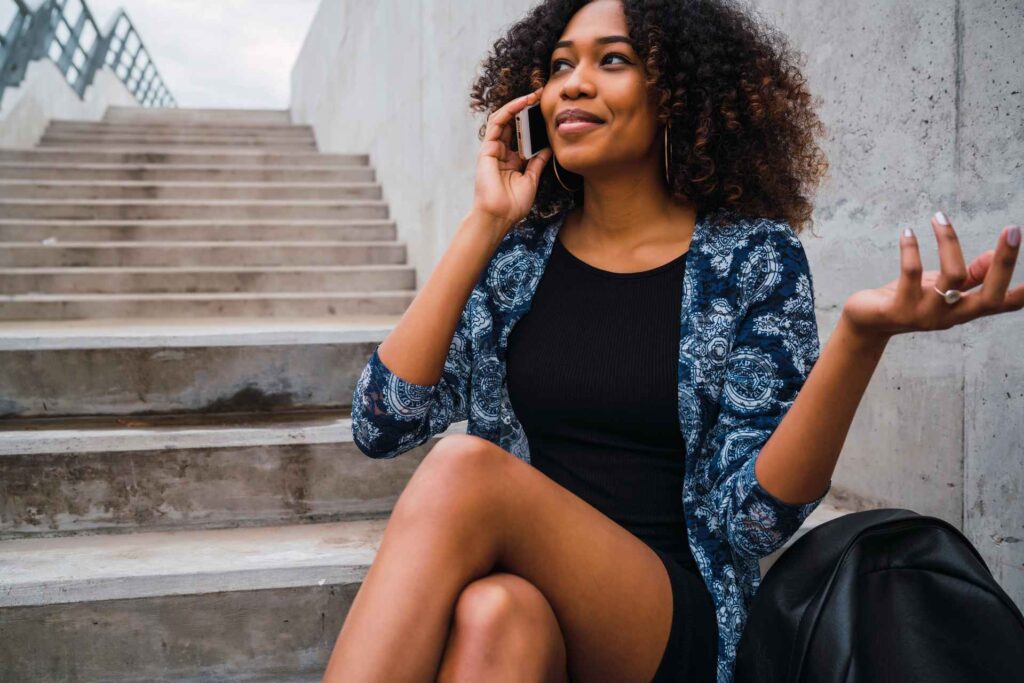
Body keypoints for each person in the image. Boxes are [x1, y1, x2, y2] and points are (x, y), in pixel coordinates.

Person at [324, 1, 1023, 681]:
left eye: (613, 60)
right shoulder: (517, 261)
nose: (574, 81)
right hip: (528, 593)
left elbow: (752, 521)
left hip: (667, 616)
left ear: (678, 94)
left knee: (462, 469)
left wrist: (861, 338)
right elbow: (382, 423)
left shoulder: (749, 259)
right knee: (493, 613)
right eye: (560, 65)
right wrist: (483, 222)